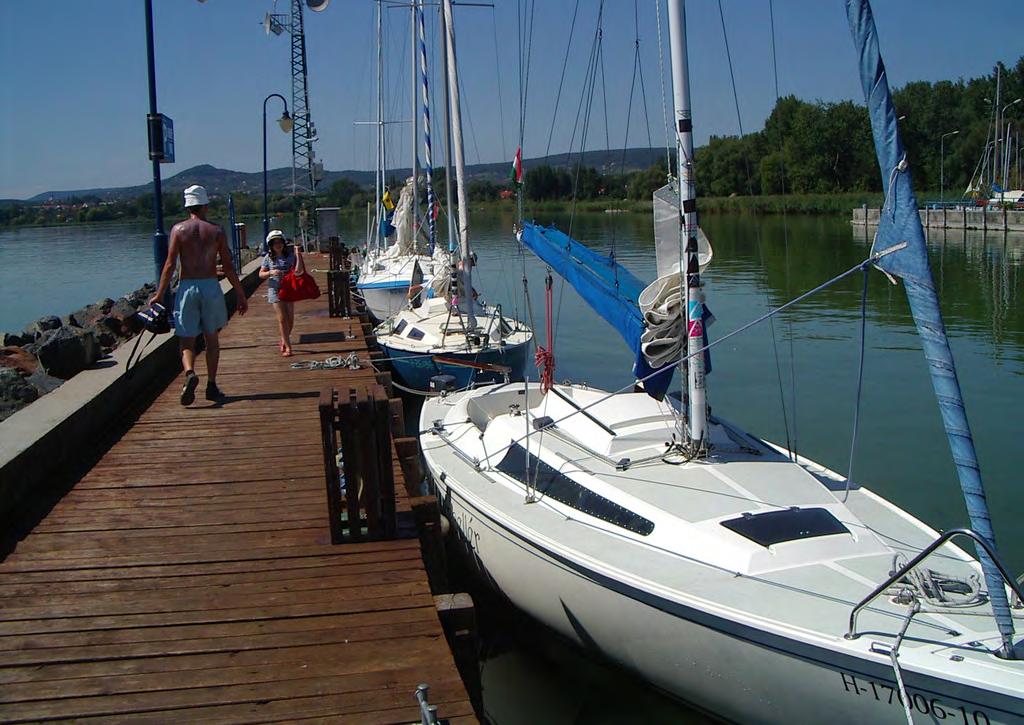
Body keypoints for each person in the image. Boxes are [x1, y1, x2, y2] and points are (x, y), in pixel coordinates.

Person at [150, 184, 248, 405]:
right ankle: (211, 386)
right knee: (211, 338)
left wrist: (159, 294)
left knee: (186, 339)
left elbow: (169, 265)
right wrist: (240, 294)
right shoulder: (216, 231)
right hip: (210, 286)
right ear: (205, 205)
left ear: (188, 206)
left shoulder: (178, 230)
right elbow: (229, 267)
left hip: (187, 286)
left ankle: (189, 372)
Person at [259, 230, 306, 356]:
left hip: (289, 289)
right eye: (275, 243)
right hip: (275, 290)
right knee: (282, 319)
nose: (277, 245)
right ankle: (288, 346)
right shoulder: (268, 258)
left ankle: (283, 339)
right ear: (270, 245)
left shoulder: (290, 256)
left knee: (290, 319)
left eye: (279, 242)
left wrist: (298, 253)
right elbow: (261, 274)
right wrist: (270, 273)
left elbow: (299, 271)